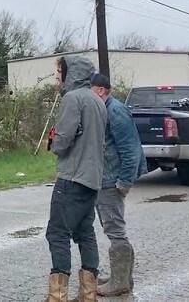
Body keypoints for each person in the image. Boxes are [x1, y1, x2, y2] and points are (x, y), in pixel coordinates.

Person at [45, 55, 107, 302]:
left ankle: (57, 296)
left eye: (59, 71)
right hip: (93, 179)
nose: (57, 76)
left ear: (71, 73)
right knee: (85, 232)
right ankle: (88, 295)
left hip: (71, 177)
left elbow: (63, 141)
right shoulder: (97, 100)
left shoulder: (72, 99)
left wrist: (54, 141)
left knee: (57, 233)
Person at [89, 73, 147, 297]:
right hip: (106, 177)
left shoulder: (115, 111)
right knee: (111, 227)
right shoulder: (107, 109)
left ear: (101, 90)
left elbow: (130, 149)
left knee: (115, 229)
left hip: (112, 180)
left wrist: (124, 181)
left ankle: (120, 281)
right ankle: (121, 276)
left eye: (91, 91)